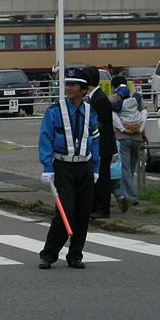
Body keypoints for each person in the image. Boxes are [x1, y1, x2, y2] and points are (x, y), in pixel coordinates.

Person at [38, 67, 100, 270]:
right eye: (67, 84)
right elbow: (45, 138)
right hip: (62, 166)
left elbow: (95, 140)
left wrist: (96, 167)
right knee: (65, 212)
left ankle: (75, 255)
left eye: (73, 85)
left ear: (83, 89)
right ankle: (48, 254)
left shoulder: (91, 111)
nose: (68, 88)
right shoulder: (54, 111)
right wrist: (47, 167)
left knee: (83, 213)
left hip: (85, 166)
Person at [85, 66, 117, 219]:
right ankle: (94, 207)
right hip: (98, 145)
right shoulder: (94, 97)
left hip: (103, 146)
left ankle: (103, 209)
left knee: (103, 178)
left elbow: (101, 124)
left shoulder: (100, 99)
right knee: (96, 178)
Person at [111, 80, 148, 209]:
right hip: (137, 137)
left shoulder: (114, 101)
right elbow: (144, 113)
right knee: (131, 167)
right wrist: (142, 131)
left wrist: (121, 129)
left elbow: (111, 113)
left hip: (123, 137)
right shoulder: (136, 100)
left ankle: (130, 196)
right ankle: (128, 191)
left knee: (124, 168)